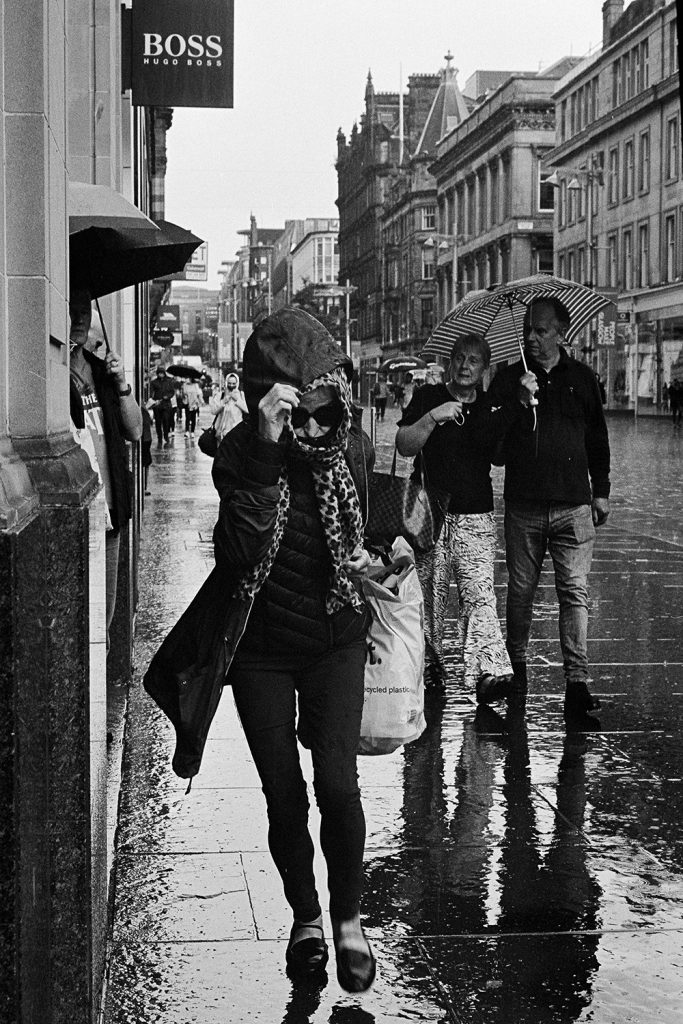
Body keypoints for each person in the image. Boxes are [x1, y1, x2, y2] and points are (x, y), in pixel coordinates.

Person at [209, 308, 376, 992]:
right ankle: (306, 918)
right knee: (285, 795)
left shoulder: (354, 449)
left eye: (320, 411)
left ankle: (348, 920)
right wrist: (267, 446)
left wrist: (393, 548)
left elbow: (382, 525)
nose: (311, 427)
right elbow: (239, 553)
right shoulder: (241, 453)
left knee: (337, 786)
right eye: (294, 413)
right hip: (262, 650)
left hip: (335, 636)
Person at [487, 296, 611, 718]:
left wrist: (602, 490)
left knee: (574, 592)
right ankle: (515, 668)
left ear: (562, 332)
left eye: (541, 331)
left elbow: (597, 436)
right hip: (524, 506)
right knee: (521, 591)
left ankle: (577, 683)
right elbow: (495, 452)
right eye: (528, 330)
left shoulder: (583, 377)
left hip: (573, 506)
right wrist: (517, 404)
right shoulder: (508, 380)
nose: (532, 338)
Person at [396, 334, 537, 700]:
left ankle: (488, 672)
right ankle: (428, 668)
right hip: (427, 512)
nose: (464, 366)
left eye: (473, 361)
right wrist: (432, 417)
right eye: (459, 358)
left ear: (484, 369)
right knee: (429, 595)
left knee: (480, 594)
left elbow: (499, 456)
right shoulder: (429, 397)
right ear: (450, 361)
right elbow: (404, 444)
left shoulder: (491, 405)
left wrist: (522, 403)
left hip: (476, 514)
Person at [68, 287, 143, 645]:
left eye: (85, 309)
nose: (79, 317)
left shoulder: (101, 371)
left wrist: (122, 383)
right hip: (77, 515)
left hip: (111, 513)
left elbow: (135, 430)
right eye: (72, 308)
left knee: (105, 618)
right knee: (74, 624)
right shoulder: (55, 372)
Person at [209, 372, 248, 443]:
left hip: (237, 432)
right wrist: (223, 401)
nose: (231, 385)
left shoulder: (241, 395)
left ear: (237, 383)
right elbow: (213, 411)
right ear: (226, 383)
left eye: (234, 383)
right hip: (221, 433)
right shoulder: (220, 395)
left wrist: (237, 400)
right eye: (229, 383)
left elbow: (247, 410)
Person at [149, 366, 175, 446]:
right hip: (157, 405)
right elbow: (151, 393)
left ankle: (166, 435)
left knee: (166, 420)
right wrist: (153, 400)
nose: (161, 375)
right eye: (159, 373)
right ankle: (159, 437)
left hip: (166, 404)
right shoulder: (154, 382)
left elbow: (172, 392)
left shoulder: (169, 381)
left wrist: (168, 396)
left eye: (162, 373)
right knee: (158, 422)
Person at [141, 403, 153, 494]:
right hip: (145, 438)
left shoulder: (142, 408)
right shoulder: (142, 408)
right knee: (145, 462)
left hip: (145, 438)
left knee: (145, 462)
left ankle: (144, 486)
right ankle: (144, 486)